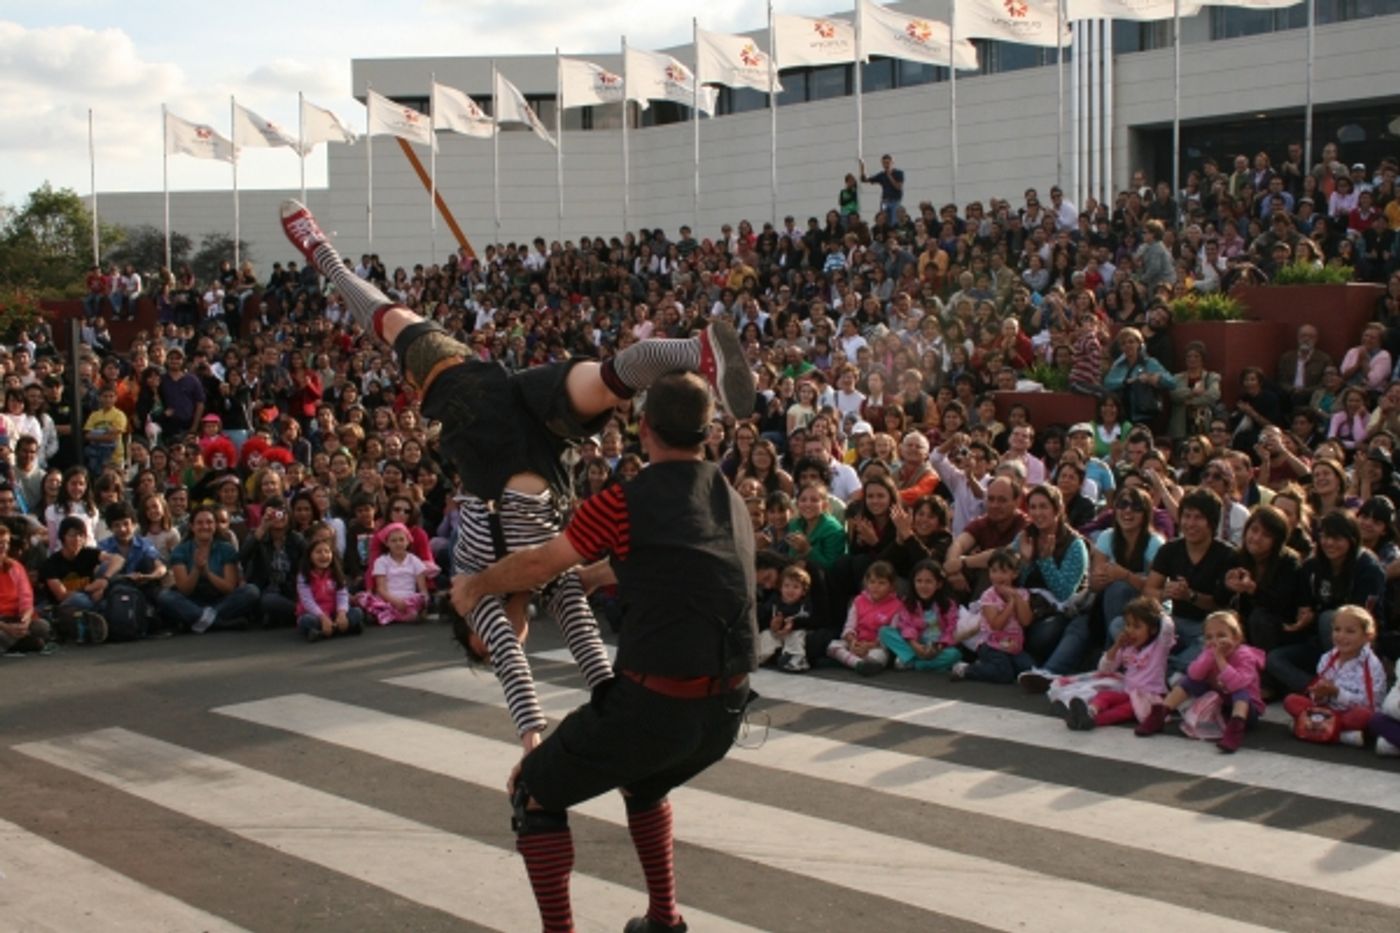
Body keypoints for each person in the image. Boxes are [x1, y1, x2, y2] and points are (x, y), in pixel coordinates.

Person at [280, 199, 755, 755]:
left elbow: (515, 664)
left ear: (469, 625)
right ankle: (696, 352)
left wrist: (531, 739)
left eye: (484, 643)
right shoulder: (548, 582)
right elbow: (586, 640)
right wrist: (615, 709)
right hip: (538, 436)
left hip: (478, 418)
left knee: (390, 320)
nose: (510, 641)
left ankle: (324, 255)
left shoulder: (472, 588)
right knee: (606, 382)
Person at [451, 372, 757, 933]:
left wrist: (476, 586)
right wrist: (596, 575)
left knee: (533, 789)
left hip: (656, 706)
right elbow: (679, 560)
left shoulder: (622, 501)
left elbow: (539, 564)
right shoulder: (731, 498)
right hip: (726, 711)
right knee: (644, 782)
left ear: (644, 429)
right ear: (707, 432)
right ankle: (663, 921)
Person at [1135, 609, 1266, 753]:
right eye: (1209, 637)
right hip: (1221, 703)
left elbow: (1237, 684)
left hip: (1245, 712)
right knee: (1190, 681)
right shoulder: (1209, 652)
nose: (1215, 641)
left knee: (1241, 692)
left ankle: (1235, 730)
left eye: (1221, 635)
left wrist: (1220, 659)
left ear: (1236, 638)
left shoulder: (1245, 656)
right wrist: (1210, 655)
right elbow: (1194, 674)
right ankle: (1160, 714)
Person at [1047, 596, 1174, 732]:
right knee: (1105, 696)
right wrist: (1116, 646)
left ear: (1153, 629)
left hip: (1149, 698)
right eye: (1128, 625)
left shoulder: (1159, 647)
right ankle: (1089, 712)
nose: (1130, 630)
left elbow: (1167, 627)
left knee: (1123, 710)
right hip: (1128, 692)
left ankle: (1093, 721)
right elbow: (1104, 669)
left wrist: (1159, 612)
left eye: (1137, 627)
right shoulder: (1127, 648)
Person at [1281, 605, 1386, 746]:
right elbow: (1318, 695)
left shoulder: (1372, 665)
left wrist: (1337, 693)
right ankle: (1339, 733)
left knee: (1365, 716)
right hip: (1327, 711)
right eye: (1337, 630)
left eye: (1350, 631)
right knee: (1291, 700)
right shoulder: (1327, 658)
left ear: (1367, 636)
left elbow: (1371, 703)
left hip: (1349, 714)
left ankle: (1312, 728)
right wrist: (1319, 694)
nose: (1341, 636)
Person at [951, 548, 1033, 684]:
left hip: (1014, 646)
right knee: (1003, 674)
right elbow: (996, 625)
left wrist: (1016, 597)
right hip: (991, 645)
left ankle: (992, 667)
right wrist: (1010, 604)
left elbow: (1026, 621)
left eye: (1003, 572)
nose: (998, 576)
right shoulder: (988, 596)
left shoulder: (1022, 593)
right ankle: (967, 669)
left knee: (1030, 668)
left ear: (1014, 574)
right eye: (994, 571)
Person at [878, 559, 962, 672]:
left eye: (928, 581)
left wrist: (939, 646)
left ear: (939, 584)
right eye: (919, 581)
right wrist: (915, 645)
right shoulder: (908, 602)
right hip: (915, 644)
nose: (923, 586)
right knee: (884, 631)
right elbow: (905, 625)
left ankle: (915, 664)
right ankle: (918, 660)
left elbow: (951, 629)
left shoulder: (948, 604)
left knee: (954, 654)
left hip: (937, 647)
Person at [827, 560, 905, 676]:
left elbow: (891, 634)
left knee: (879, 656)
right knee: (833, 646)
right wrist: (852, 641)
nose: (875, 587)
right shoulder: (859, 600)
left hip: (876, 646)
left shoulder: (897, 606)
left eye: (881, 583)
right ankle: (858, 664)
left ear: (891, 586)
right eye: (872, 582)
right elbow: (849, 625)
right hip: (856, 642)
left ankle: (853, 661)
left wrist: (869, 646)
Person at [358, 522, 431, 625]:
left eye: (401, 540)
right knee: (365, 598)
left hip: (409, 600)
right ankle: (391, 614)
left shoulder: (415, 561)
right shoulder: (381, 561)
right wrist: (396, 602)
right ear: (387, 543)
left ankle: (393, 615)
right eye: (393, 541)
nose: (398, 543)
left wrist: (423, 602)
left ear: (408, 541)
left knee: (421, 599)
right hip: (388, 600)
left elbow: (423, 589)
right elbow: (381, 589)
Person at [297, 536, 364, 642]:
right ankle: (342, 629)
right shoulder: (304, 576)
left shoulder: (336, 573)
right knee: (305, 621)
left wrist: (341, 613)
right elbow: (307, 601)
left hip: (335, 614)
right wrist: (322, 617)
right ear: (309, 556)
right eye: (318, 552)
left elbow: (342, 595)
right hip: (316, 615)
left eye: (327, 551)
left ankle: (326, 631)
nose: (323, 555)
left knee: (357, 612)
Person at [756, 563, 815, 673]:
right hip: (777, 632)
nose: (790, 590)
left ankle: (796, 659)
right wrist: (772, 623)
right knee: (766, 635)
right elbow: (764, 614)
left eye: (795, 587)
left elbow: (809, 619)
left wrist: (793, 623)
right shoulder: (774, 601)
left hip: (794, 631)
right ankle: (758, 655)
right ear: (780, 588)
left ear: (803, 591)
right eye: (786, 586)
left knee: (797, 635)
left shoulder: (804, 604)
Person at [859, 154, 905, 228]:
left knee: (894, 222)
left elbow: (898, 187)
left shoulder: (898, 173)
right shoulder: (882, 175)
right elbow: (865, 180)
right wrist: (862, 167)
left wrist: (889, 176)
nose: (886, 165)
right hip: (884, 201)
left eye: (887, 162)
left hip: (895, 201)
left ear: (892, 162)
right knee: (883, 221)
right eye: (884, 163)